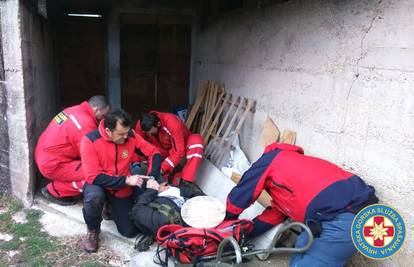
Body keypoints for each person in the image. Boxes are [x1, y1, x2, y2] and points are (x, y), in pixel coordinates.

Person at [225, 142, 379, 267]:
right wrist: (245, 232)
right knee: (302, 244)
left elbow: (243, 191)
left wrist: (227, 223)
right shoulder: (288, 177)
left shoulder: (272, 159)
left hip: (348, 217)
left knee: (311, 261)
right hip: (334, 215)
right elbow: (275, 215)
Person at [80, 109, 162, 253]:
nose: (126, 137)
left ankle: (109, 209)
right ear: (108, 131)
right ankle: (93, 230)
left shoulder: (130, 135)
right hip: (99, 184)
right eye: (121, 134)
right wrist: (126, 180)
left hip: (121, 187)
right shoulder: (90, 140)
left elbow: (154, 153)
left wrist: (152, 178)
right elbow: (94, 176)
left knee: (129, 231)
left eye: (127, 132)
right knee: (94, 197)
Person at [35, 95, 110, 205]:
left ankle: (62, 180)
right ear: (96, 109)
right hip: (53, 165)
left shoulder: (73, 110)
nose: (103, 118)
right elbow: (91, 155)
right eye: (103, 115)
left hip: (43, 156)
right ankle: (54, 190)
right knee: (96, 175)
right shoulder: (84, 124)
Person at [135, 111, 204, 186]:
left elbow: (179, 152)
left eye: (151, 133)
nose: (149, 134)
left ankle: (186, 182)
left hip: (180, 148)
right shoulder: (142, 124)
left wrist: (163, 168)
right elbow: (140, 146)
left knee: (197, 141)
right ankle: (167, 178)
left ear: (158, 124)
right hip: (160, 151)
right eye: (147, 133)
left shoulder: (172, 123)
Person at [130, 179, 204, 238]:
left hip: (196, 213)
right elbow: (137, 211)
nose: (168, 186)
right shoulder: (151, 205)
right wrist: (152, 190)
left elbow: (194, 193)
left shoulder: (173, 190)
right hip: (185, 221)